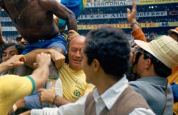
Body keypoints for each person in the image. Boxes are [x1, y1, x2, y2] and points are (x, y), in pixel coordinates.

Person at [25, 26, 154, 115]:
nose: (78, 58)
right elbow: (63, 112)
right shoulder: (96, 97)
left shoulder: (135, 111)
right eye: (74, 51)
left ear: (95, 65)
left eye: (83, 57)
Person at [37, 35, 94, 108]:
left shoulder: (91, 78)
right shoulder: (58, 66)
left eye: (82, 51)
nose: (77, 55)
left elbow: (84, 108)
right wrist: (50, 51)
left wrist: (54, 99)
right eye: (74, 50)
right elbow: (26, 57)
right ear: (68, 50)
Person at [130, 35, 178, 115]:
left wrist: (125, 64)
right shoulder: (167, 88)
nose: (136, 55)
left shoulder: (136, 90)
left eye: (141, 52)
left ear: (147, 63)